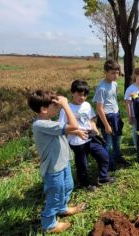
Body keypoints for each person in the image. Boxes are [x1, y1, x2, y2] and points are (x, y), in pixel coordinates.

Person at [28, 90, 85, 233]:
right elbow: (73, 125)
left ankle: (62, 208)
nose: (58, 106)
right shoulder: (40, 124)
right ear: (44, 109)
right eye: (54, 105)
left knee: (67, 186)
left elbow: (66, 130)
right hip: (53, 168)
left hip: (62, 162)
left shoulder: (47, 121)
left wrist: (75, 132)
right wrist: (66, 105)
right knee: (55, 195)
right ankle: (49, 224)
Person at [59, 80, 114, 192]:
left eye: (85, 95)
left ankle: (103, 177)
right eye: (79, 94)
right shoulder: (66, 109)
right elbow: (62, 127)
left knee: (103, 155)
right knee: (82, 164)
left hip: (90, 137)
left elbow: (91, 119)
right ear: (72, 92)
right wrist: (76, 132)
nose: (82, 97)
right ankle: (84, 183)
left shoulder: (87, 105)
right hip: (76, 141)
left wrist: (93, 127)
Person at [93, 59, 128, 171]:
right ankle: (109, 164)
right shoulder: (102, 88)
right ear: (105, 72)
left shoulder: (115, 84)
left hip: (115, 115)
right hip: (107, 118)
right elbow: (99, 108)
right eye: (113, 73)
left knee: (117, 140)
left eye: (117, 73)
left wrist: (118, 113)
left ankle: (118, 157)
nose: (115, 75)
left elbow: (114, 99)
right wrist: (107, 125)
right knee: (108, 144)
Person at [124, 67, 139, 148]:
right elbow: (128, 104)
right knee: (135, 130)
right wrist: (130, 116)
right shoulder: (130, 89)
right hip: (135, 115)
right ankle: (136, 145)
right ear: (136, 76)